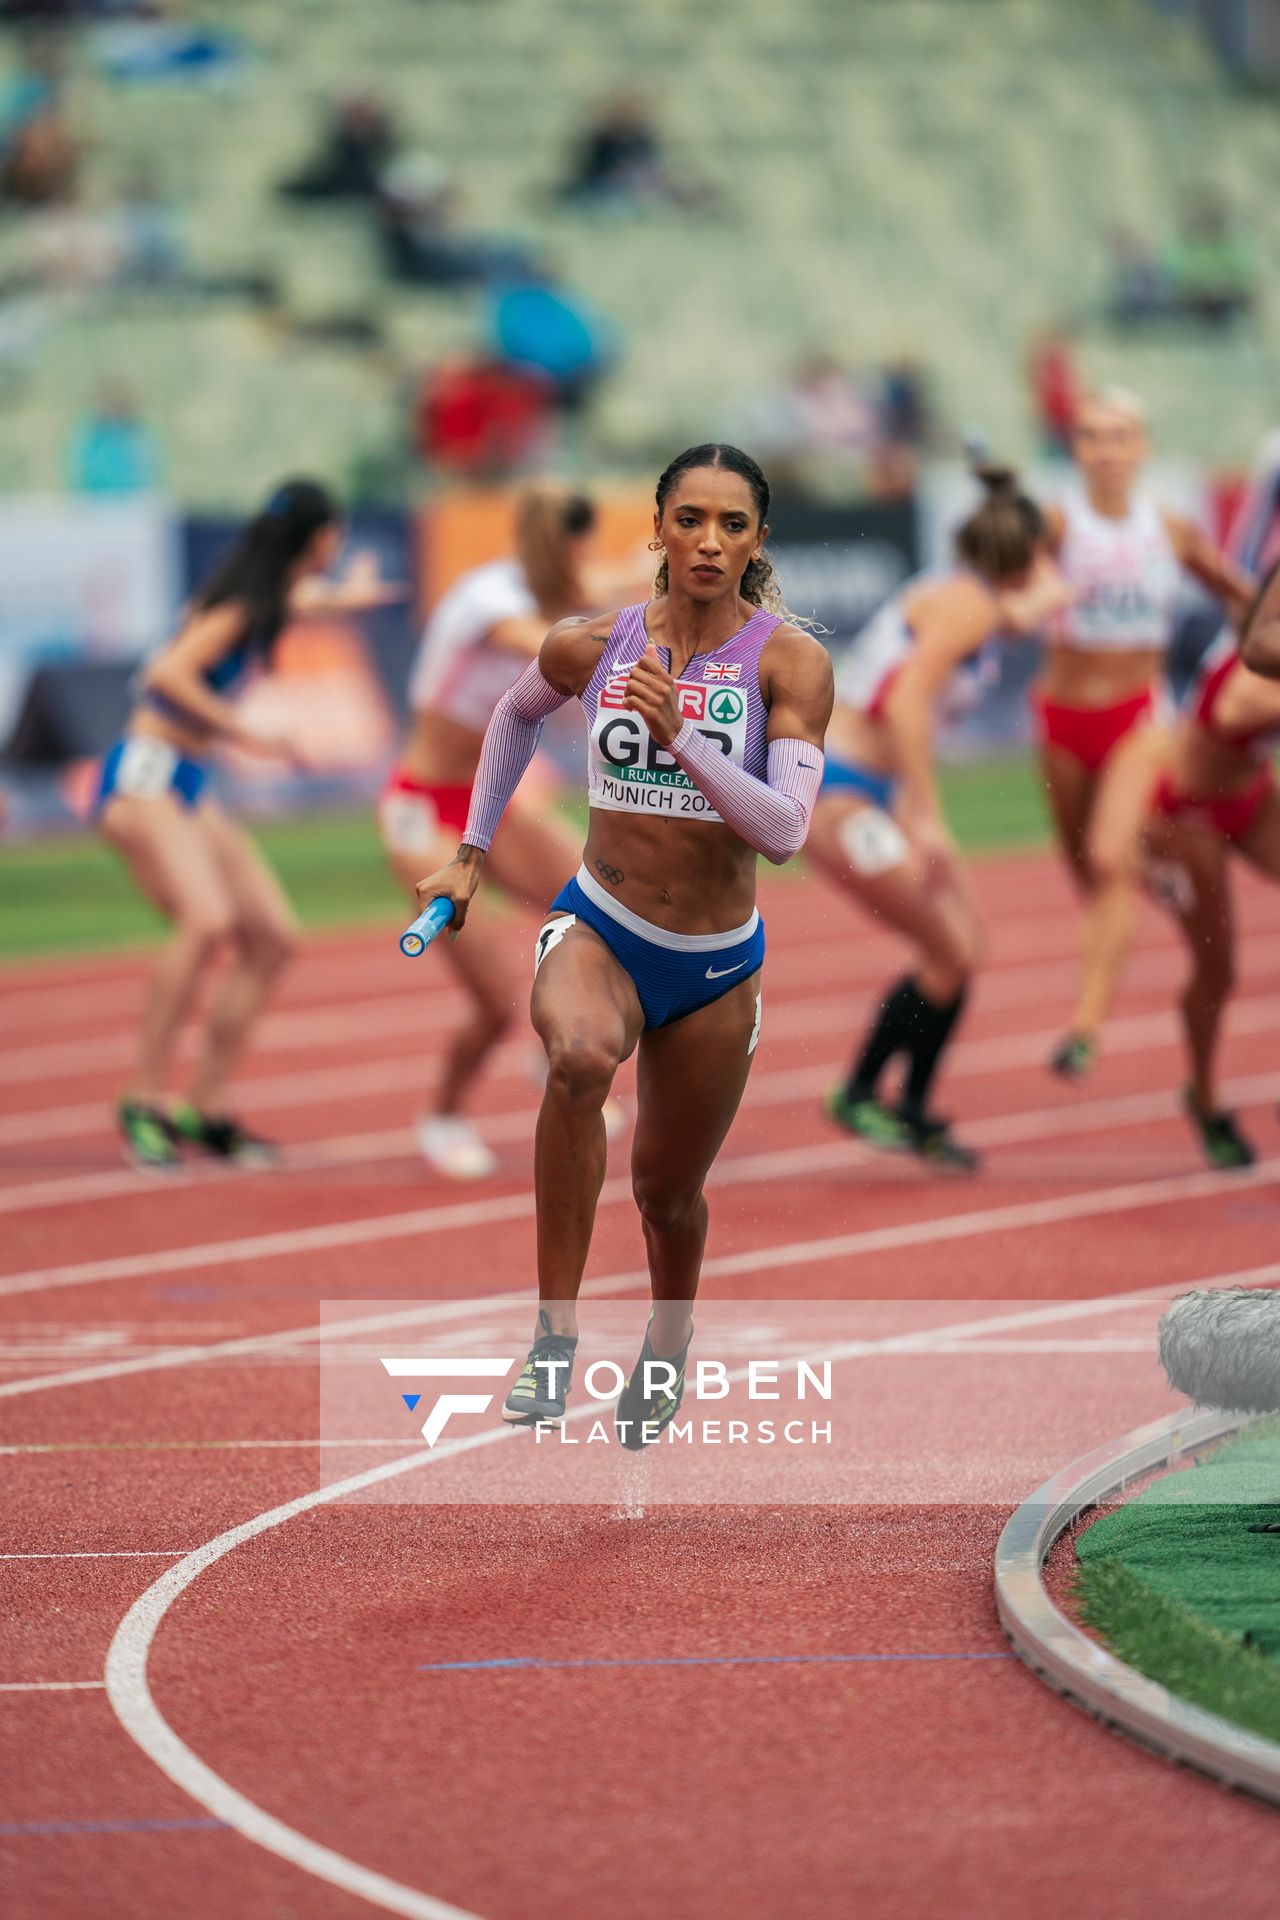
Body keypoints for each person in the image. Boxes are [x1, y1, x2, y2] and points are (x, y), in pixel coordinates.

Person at [412, 443, 833, 1443]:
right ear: (656, 529)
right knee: (577, 1056)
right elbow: (511, 721)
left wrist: (681, 734)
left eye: (732, 525)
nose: (707, 541)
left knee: (666, 1195)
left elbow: (782, 832)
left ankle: (667, 1340)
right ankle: (552, 1337)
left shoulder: (787, 663)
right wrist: (469, 853)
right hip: (600, 921)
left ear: (755, 543)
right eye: (689, 519)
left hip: (715, 963)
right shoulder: (587, 643)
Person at [97, 479, 400, 1171]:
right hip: (147, 773)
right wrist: (248, 731)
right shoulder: (240, 603)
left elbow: (304, 599)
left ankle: (202, 1107)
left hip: (185, 782)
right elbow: (168, 674)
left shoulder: (264, 594)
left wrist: (349, 594)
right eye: (335, 534)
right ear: (319, 537)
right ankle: (140, 1098)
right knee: (205, 922)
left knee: (271, 937)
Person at [810, 465, 1068, 1170]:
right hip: (843, 791)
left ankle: (907, 1107)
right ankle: (866, 1093)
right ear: (1026, 557)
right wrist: (927, 816)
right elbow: (903, 704)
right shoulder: (969, 608)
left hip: (867, 787)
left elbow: (1041, 597)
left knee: (962, 946)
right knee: (951, 947)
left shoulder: (972, 596)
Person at [381, 479, 617, 1178]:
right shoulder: (491, 600)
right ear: (557, 547)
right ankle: (443, 1116)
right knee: (490, 1000)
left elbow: (620, 582)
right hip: (424, 808)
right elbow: (551, 646)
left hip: (494, 799)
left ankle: (554, 1054)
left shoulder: (556, 593)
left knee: (601, 909)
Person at [1034, 389, 1255, 1079]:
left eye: (1120, 435)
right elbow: (1005, 570)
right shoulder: (1058, 523)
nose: (1106, 448)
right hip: (1063, 720)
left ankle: (1084, 1028)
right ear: (1079, 450)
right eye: (1093, 436)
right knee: (1086, 871)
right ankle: (1154, 869)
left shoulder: (1170, 528)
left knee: (1106, 860)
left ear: (1142, 448)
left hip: (1137, 718)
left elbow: (1241, 596)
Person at [1147, 582, 1280, 1167]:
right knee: (1218, 969)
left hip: (1249, 796)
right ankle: (1202, 1096)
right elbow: (1234, 709)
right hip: (1182, 816)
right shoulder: (1256, 656)